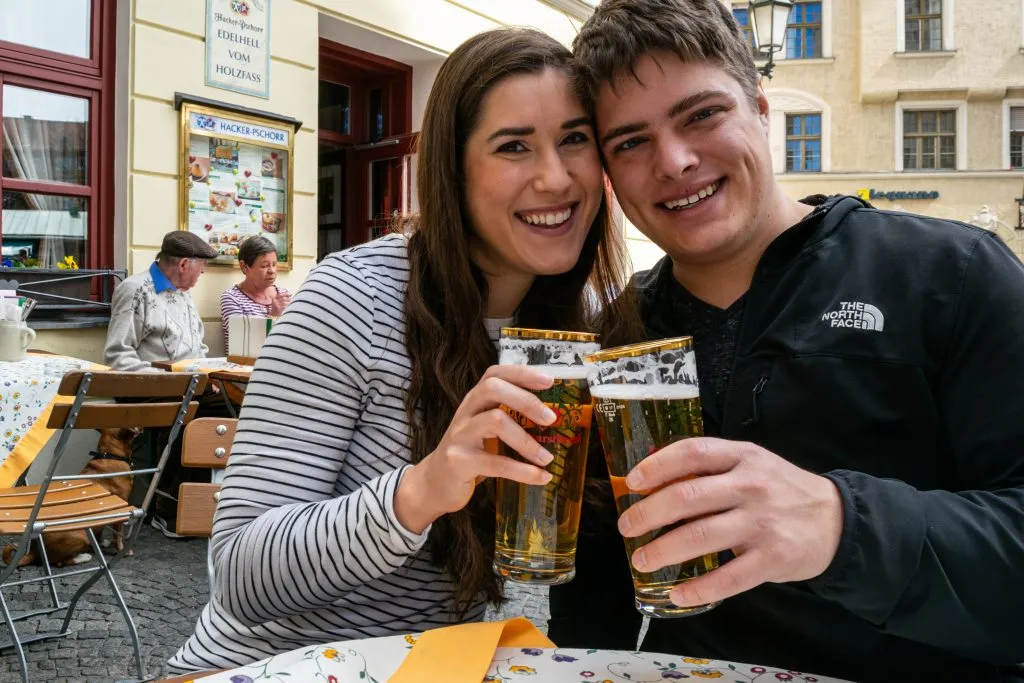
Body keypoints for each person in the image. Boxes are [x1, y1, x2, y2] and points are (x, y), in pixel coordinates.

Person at [550, 1, 1024, 682]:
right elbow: (593, 593)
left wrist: (842, 526)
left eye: (702, 115)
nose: (675, 161)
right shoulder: (622, 333)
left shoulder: (951, 276)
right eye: (630, 142)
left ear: (762, 109)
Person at [167, 26, 635, 673]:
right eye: (514, 147)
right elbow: (241, 577)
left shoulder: (579, 325)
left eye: (574, 139)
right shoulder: (350, 297)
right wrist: (419, 490)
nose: (555, 177)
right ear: (453, 169)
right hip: (275, 666)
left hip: (429, 666)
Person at [104, 231, 217, 372]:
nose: (203, 271)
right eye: (202, 265)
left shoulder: (183, 291)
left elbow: (197, 346)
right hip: (156, 387)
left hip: (192, 383)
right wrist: (166, 379)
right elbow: (117, 357)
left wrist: (209, 375)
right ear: (183, 265)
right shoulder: (135, 290)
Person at [219, 235, 291, 351]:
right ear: (244, 266)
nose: (272, 271)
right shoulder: (232, 298)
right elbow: (243, 343)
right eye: (265, 265)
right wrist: (273, 317)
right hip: (246, 367)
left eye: (274, 264)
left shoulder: (283, 294)